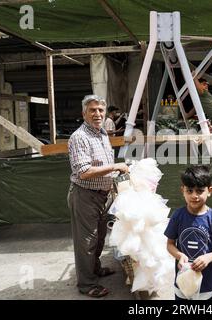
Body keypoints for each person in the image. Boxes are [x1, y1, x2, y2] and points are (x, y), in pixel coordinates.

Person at [67, 94, 129, 298]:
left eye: (100, 110)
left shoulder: (101, 133)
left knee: (99, 237)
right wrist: (115, 166)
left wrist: (113, 178)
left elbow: (102, 166)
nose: (97, 114)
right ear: (84, 113)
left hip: (102, 195)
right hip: (85, 195)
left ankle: (95, 269)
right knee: (87, 242)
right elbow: (83, 171)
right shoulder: (79, 137)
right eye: (92, 110)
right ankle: (86, 284)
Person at [164, 165, 212, 300]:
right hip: (183, 281)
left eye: (199, 191)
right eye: (189, 190)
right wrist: (179, 255)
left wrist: (209, 257)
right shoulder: (178, 216)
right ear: (183, 190)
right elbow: (170, 244)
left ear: (209, 191)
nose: (194, 195)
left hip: (206, 284)